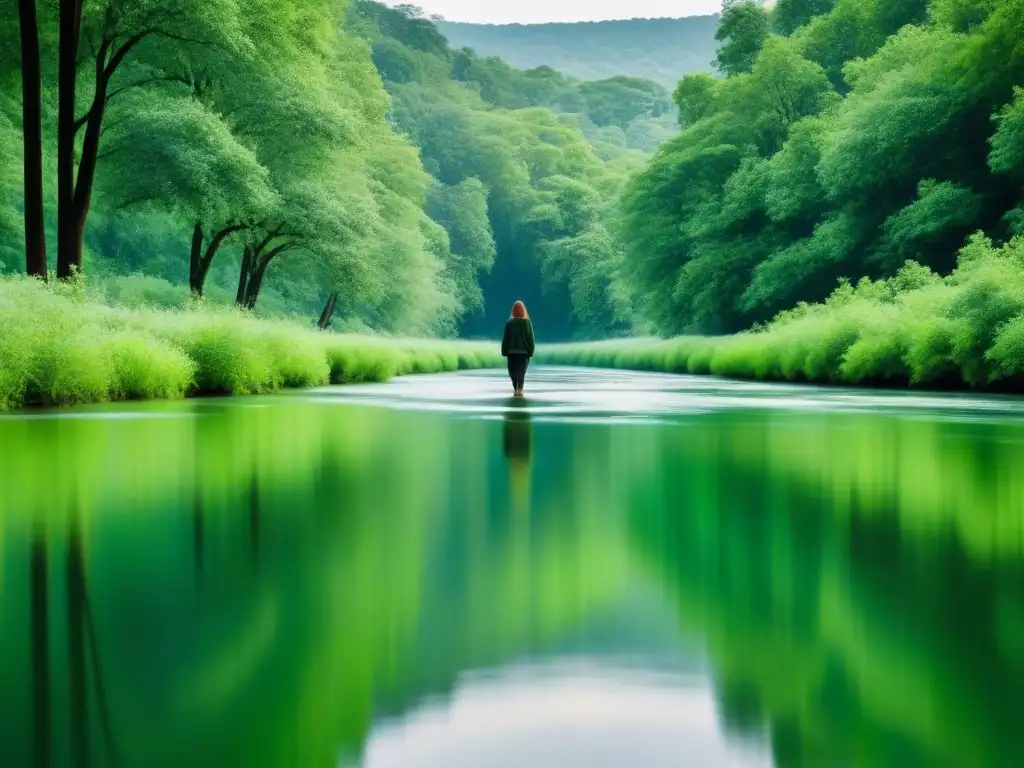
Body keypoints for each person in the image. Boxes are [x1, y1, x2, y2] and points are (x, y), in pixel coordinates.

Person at [501, 301, 535, 397]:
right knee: (521, 374)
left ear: (513, 311)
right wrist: (531, 351)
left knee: (512, 373)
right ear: (523, 310)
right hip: (524, 354)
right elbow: (531, 339)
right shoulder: (527, 322)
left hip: (511, 353)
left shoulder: (509, 323)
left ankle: (516, 389)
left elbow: (506, 339)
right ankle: (519, 390)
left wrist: (504, 351)